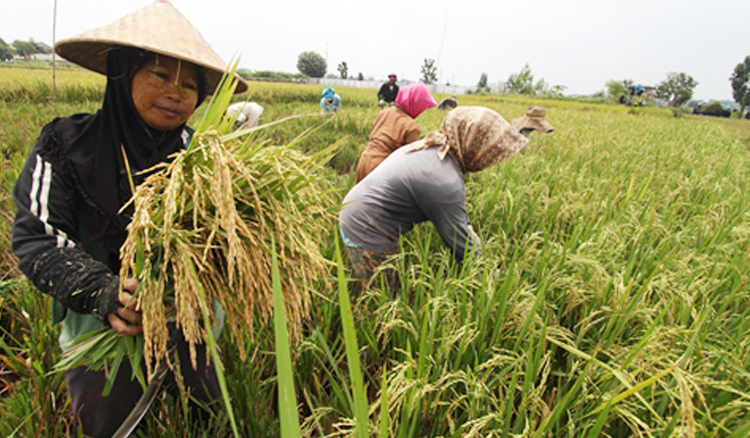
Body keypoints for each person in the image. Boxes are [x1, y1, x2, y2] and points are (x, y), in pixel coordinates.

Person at [11, 2, 248, 437]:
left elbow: (234, 241)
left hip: (189, 327)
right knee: (108, 425)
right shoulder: (64, 145)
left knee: (205, 422)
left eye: (190, 85)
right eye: (159, 74)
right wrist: (102, 291)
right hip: (101, 332)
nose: (176, 92)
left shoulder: (204, 159)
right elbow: (36, 238)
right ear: (123, 73)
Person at [339, 106, 554, 291]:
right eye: (489, 151)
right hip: (365, 227)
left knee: (387, 283)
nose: (491, 159)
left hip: (360, 213)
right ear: (473, 146)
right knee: (383, 295)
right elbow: (460, 243)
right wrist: (491, 277)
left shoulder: (431, 148)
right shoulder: (443, 179)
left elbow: (459, 224)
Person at [355, 83, 437, 183]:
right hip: (382, 167)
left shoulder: (383, 113)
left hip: (365, 160)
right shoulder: (411, 126)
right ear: (414, 103)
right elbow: (410, 159)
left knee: (359, 197)